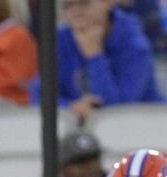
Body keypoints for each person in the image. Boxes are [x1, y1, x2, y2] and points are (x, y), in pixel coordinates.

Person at [33, 0, 163, 121]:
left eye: (84, 2)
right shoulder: (61, 39)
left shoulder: (135, 46)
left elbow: (116, 112)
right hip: (81, 132)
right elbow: (38, 94)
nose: (76, 11)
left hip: (141, 130)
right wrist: (71, 107)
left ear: (107, 2)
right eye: (68, 6)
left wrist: (94, 55)